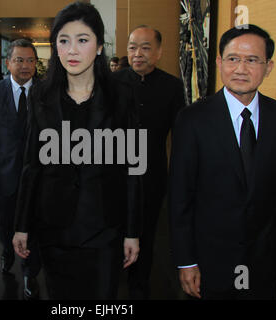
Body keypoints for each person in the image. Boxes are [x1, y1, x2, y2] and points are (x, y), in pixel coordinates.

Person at [12, 1, 142, 300]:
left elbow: (134, 168)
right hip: (54, 226)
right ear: (56, 46)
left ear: (98, 46)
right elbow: (31, 163)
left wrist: (133, 231)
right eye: (64, 41)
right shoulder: (41, 95)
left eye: (82, 40)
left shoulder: (121, 96)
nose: (72, 50)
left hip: (105, 228)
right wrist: (22, 225)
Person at [169, 24, 276, 300]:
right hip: (209, 260)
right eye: (233, 59)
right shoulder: (192, 119)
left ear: (268, 67)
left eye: (252, 60)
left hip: (262, 261)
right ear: (219, 63)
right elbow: (180, 196)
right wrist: (186, 260)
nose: (241, 68)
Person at [113, 25, 185, 299]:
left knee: (146, 233)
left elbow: (180, 137)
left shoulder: (172, 86)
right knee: (114, 227)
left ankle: (139, 286)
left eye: (145, 47)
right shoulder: (113, 82)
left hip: (152, 174)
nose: (137, 53)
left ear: (158, 52)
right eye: (132, 47)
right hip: (115, 173)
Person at [0, 39, 42, 300]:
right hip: (4, 173)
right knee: (3, 221)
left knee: (34, 223)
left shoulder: (45, 92)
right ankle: (6, 250)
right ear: (8, 63)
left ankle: (29, 272)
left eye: (30, 61)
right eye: (19, 60)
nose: (25, 66)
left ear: (36, 64)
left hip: (38, 175)